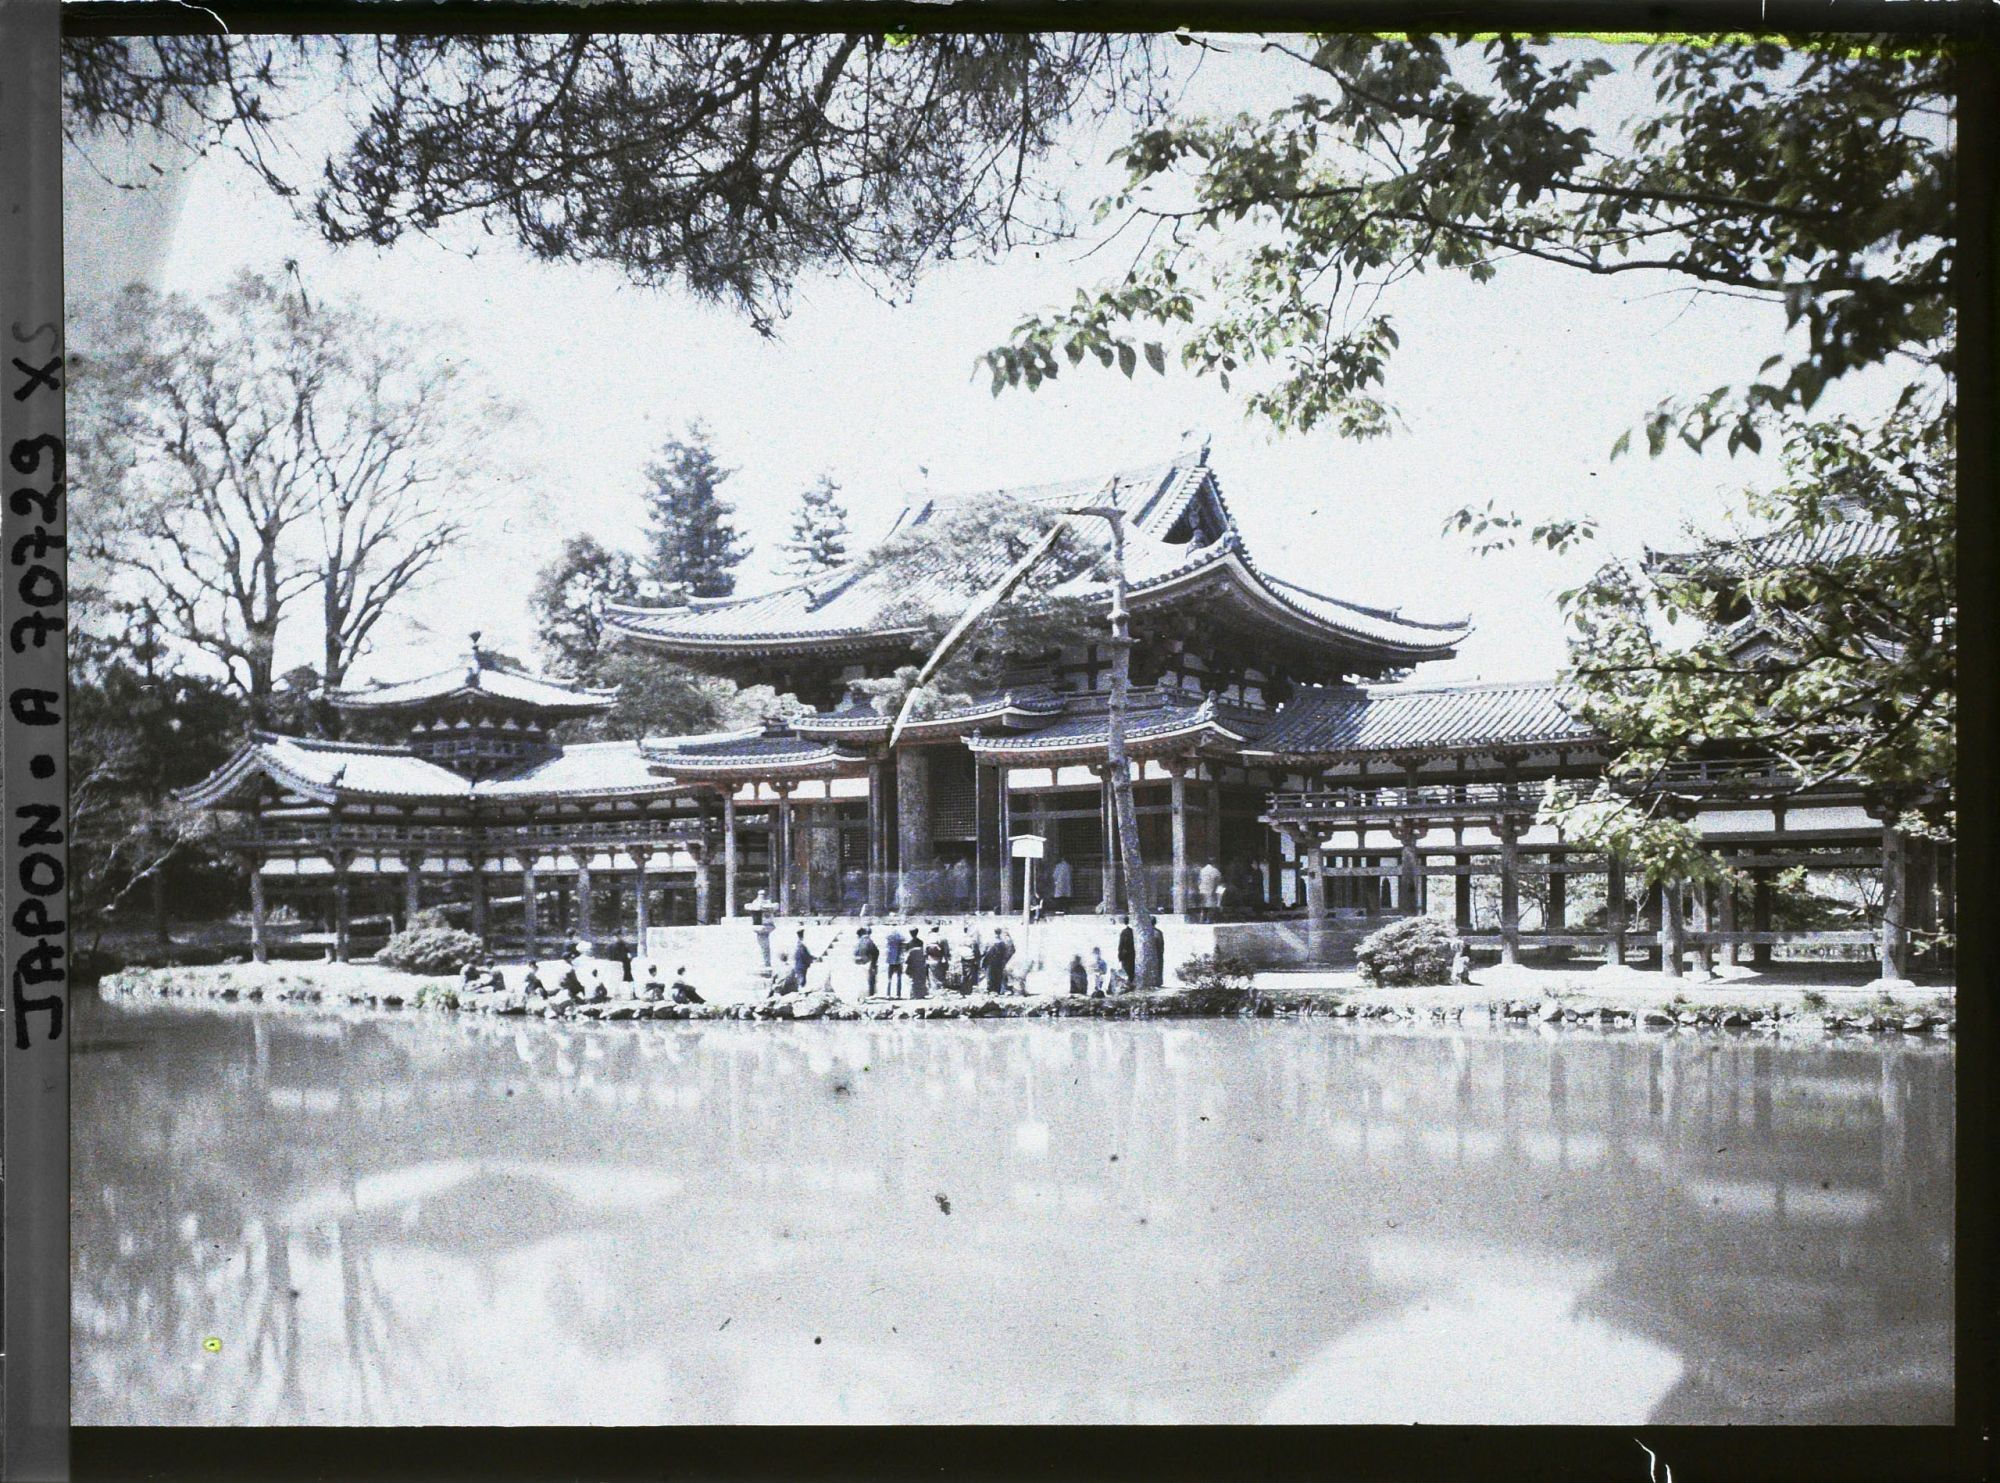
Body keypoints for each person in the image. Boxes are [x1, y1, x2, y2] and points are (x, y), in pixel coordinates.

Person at [853, 926, 880, 997]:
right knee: (870, 979)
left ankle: (862, 995)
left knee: (862, 980)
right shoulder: (869, 941)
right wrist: (874, 962)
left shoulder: (859, 942)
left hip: (859, 962)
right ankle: (870, 994)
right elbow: (876, 952)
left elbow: (855, 952)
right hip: (868, 962)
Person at [883, 922, 908, 997]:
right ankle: (898, 994)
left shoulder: (889, 935)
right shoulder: (899, 935)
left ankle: (888, 994)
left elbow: (886, 943)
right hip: (898, 959)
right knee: (899, 978)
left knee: (889, 978)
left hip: (890, 959)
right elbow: (904, 940)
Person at [906, 932, 930, 1000]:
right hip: (920, 964)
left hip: (912, 964)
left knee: (913, 980)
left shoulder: (909, 944)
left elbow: (907, 957)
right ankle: (921, 994)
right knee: (921, 979)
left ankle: (914, 995)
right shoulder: (921, 942)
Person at [1146, 919, 1166, 990]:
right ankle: (1158, 982)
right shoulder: (1158, 932)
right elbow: (1161, 944)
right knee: (1158, 968)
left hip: (1148, 954)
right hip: (1157, 954)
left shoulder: (1146, 932)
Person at [1117, 916, 1135, 987]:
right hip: (1132, 954)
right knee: (1131, 970)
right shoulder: (1132, 931)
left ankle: (1127, 985)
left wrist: (1120, 955)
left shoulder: (1124, 932)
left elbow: (1121, 945)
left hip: (1125, 955)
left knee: (1126, 971)